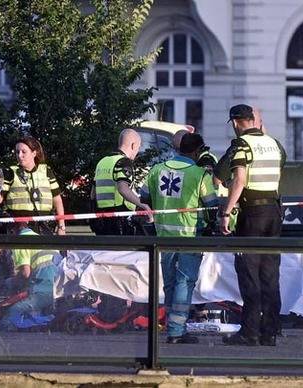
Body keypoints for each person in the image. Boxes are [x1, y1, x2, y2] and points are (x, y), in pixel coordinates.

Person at [140, 133, 218, 344]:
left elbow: (144, 198)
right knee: (185, 282)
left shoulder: (156, 170)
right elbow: (211, 206)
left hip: (163, 237)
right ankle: (176, 331)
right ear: (197, 151)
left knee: (169, 284)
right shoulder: (200, 174)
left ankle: (170, 328)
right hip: (189, 236)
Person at [219, 104, 286, 347]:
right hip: (274, 212)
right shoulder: (274, 143)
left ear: (236, 122)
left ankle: (250, 332)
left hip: (252, 214)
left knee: (249, 273)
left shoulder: (241, 145)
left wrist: (226, 212)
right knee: (270, 274)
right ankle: (270, 331)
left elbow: (240, 180)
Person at [0, 136, 66, 235]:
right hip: (19, 227)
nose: (20, 155)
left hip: (44, 227)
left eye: (24, 152)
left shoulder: (46, 171)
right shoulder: (10, 172)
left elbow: (57, 200)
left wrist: (61, 226)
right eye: (17, 152)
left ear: (34, 153)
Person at [91, 128, 152, 235]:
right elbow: (122, 188)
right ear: (133, 145)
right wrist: (141, 205)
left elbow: (93, 194)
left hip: (102, 219)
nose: (137, 151)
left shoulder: (102, 161)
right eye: (138, 147)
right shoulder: (123, 162)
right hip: (120, 218)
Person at [0, 222, 57, 331]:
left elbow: (26, 274)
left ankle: (2, 337)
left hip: (43, 290)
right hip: (56, 289)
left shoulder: (21, 242)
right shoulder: (39, 238)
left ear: (12, 231)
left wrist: (11, 282)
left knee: (12, 311)